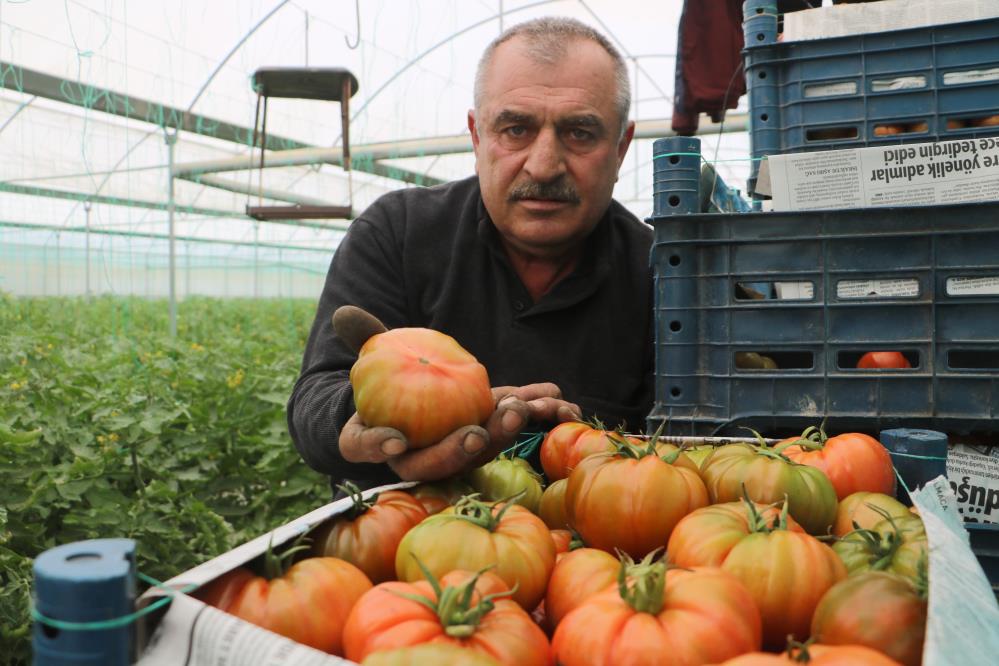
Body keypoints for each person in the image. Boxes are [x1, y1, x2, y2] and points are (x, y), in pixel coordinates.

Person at [287, 16, 655, 494]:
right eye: (516, 129)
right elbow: (315, 401)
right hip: (402, 545)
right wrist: (369, 423)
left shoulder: (661, 272)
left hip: (609, 555)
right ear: (477, 135)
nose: (543, 166)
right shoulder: (397, 234)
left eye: (580, 133)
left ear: (622, 147)